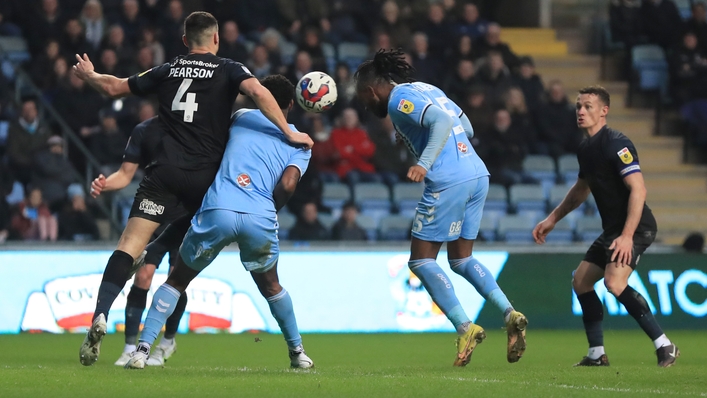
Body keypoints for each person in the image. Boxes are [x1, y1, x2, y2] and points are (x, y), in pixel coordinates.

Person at [72, 11, 313, 367]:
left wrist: (90, 75)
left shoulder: (166, 70)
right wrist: (290, 132)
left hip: (164, 174)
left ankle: (102, 315)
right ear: (216, 39)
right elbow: (258, 92)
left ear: (185, 41)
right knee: (179, 271)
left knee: (129, 246)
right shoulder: (230, 68)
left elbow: (113, 86)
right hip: (205, 183)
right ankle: (167, 341)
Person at [124, 75, 313, 369]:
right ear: (291, 103)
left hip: (219, 208)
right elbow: (288, 185)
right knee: (272, 286)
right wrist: (264, 207)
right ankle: (298, 353)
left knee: (176, 280)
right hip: (259, 215)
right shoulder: (300, 141)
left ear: (258, 96)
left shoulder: (239, 117)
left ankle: (142, 350)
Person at [354, 50, 527, 367]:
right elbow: (467, 128)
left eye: (364, 98)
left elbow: (442, 121)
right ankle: (509, 312)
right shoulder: (428, 88)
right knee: (462, 259)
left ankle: (465, 327)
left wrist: (423, 162)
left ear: (371, 90)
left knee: (421, 262)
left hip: (448, 181)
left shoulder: (397, 100)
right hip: (477, 174)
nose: (367, 105)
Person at [532, 86, 679, 368]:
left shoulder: (617, 144)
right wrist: (552, 219)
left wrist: (626, 236)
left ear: (604, 111)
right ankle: (597, 354)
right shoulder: (586, 148)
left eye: (588, 106)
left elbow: (639, 190)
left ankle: (665, 345)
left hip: (636, 228)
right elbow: (581, 189)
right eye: (578, 106)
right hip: (613, 230)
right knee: (581, 281)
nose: (581, 111)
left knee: (614, 282)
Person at [90, 116, 188, 367]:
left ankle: (167, 341)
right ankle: (130, 347)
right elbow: (125, 174)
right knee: (142, 277)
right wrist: (105, 184)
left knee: (176, 281)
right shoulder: (145, 130)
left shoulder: (195, 126)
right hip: (154, 212)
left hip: (185, 213)